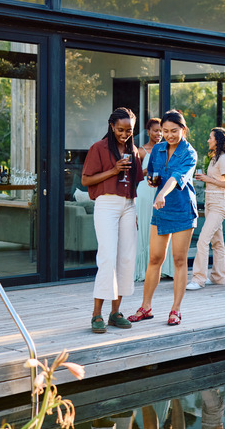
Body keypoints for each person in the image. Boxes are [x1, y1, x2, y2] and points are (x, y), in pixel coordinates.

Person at [128, 109, 198, 326]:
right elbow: (153, 174)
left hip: (182, 211)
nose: (169, 135)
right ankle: (145, 307)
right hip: (161, 210)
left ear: (183, 129)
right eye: (165, 131)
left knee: (178, 260)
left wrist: (161, 194)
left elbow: (176, 179)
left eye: (174, 131)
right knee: (155, 258)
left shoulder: (189, 153)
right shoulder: (158, 149)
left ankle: (176, 309)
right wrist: (152, 183)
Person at [81, 107, 143, 333]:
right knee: (107, 257)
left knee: (126, 258)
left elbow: (137, 178)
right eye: (120, 129)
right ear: (111, 126)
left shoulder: (132, 149)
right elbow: (86, 179)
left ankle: (115, 312)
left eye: (129, 130)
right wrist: (113, 170)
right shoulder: (98, 148)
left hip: (128, 204)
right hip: (106, 204)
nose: (125, 133)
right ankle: (96, 314)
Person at [187, 127, 225, 290]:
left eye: (210, 138)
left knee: (203, 240)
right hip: (210, 202)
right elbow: (214, 179)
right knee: (217, 242)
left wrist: (207, 178)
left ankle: (198, 279)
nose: (208, 140)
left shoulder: (224, 159)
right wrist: (206, 179)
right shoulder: (213, 158)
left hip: (218, 204)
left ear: (217, 140)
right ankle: (218, 277)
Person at [134, 118, 175, 281]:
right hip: (145, 190)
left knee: (163, 228)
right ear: (148, 132)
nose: (158, 134)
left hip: (161, 191)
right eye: (155, 130)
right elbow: (133, 175)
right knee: (144, 227)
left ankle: (165, 268)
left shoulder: (168, 150)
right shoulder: (141, 151)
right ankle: (144, 270)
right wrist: (145, 171)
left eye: (161, 131)